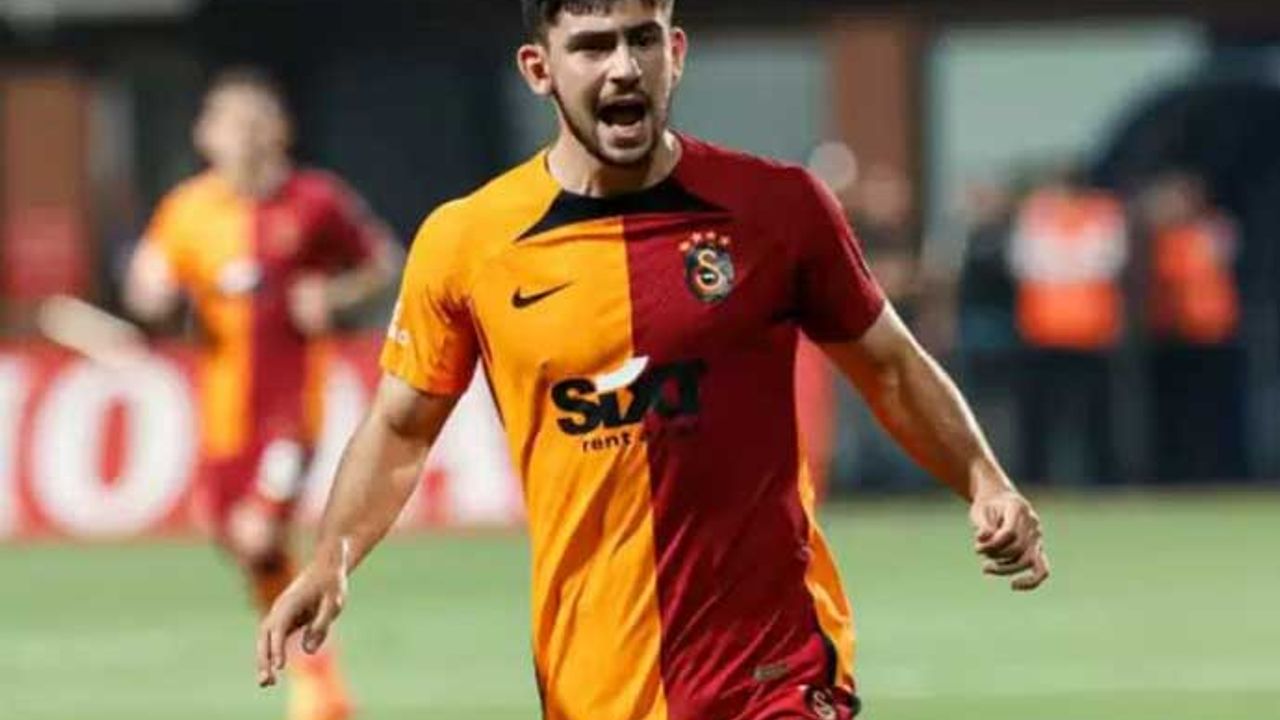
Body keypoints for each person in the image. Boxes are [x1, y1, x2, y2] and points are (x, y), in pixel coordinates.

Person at [256, 3, 1050, 719]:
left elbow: (891, 366)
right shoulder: (468, 243)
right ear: (538, 69)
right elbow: (402, 427)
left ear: (676, 52)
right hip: (593, 683)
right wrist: (331, 559)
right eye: (593, 46)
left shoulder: (778, 209)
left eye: (642, 40)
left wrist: (984, 479)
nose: (623, 68)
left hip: (773, 672)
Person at [126, 68, 398, 720]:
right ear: (206, 136)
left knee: (257, 532)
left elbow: (384, 261)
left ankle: (319, 684)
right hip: (223, 414)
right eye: (229, 126)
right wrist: (158, 299)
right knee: (231, 532)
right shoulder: (189, 210)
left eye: (254, 126)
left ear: (279, 132)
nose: (242, 141)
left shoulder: (315, 202)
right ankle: (317, 672)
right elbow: (146, 283)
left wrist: (333, 297)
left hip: (290, 411)